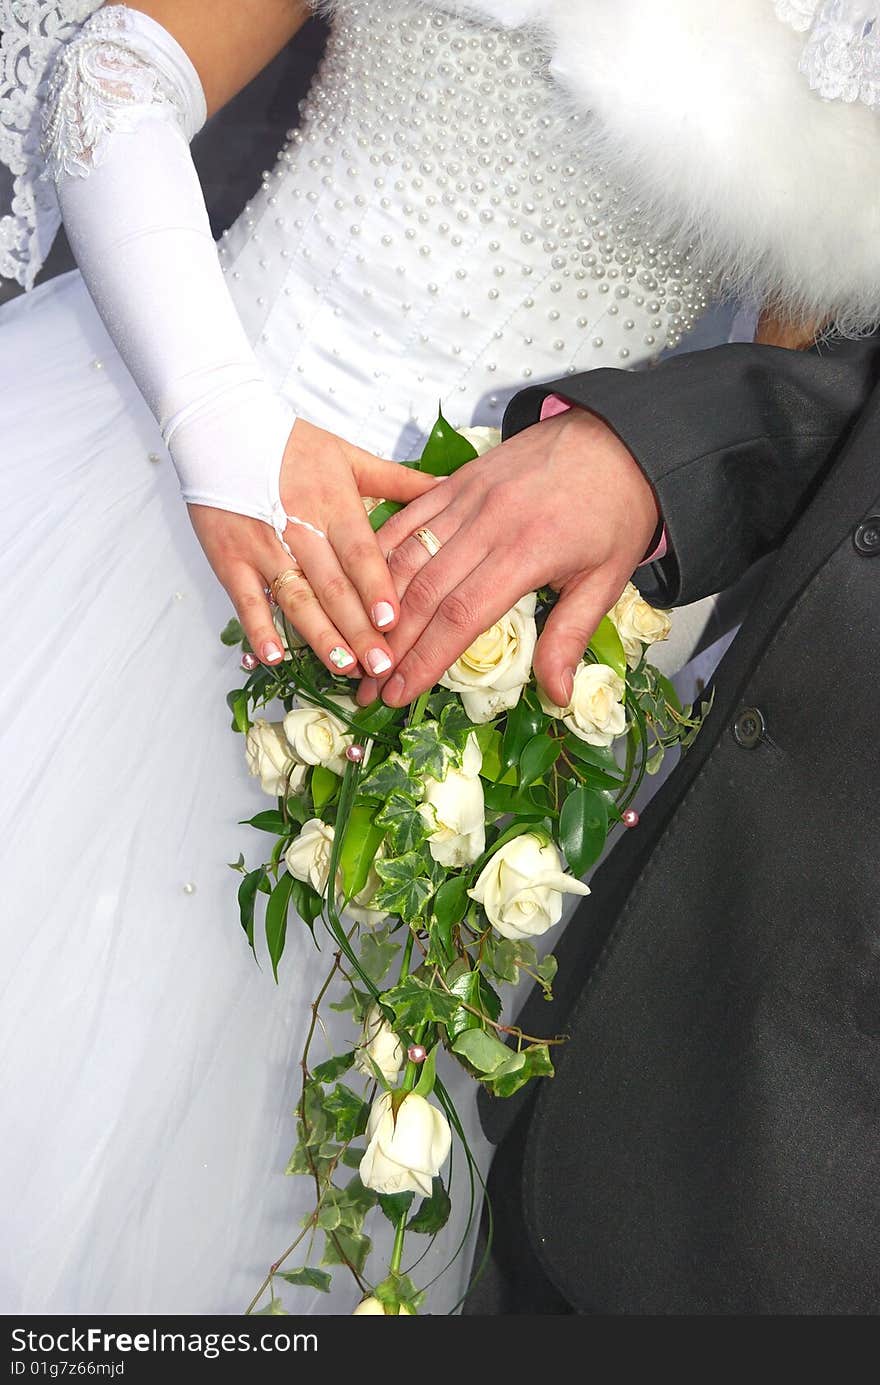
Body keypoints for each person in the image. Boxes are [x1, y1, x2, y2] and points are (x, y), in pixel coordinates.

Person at [0, 0, 876, 1317]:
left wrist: (645, 616)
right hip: (183, 487)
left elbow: (787, 360)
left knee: (338, 1172)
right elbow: (111, 80)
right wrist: (220, 424)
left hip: (527, 674)